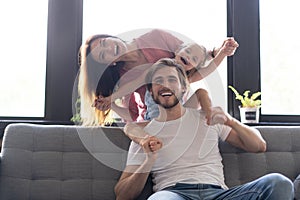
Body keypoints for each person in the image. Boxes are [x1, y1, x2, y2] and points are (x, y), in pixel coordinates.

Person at [114, 58, 294, 200]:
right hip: (174, 194)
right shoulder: (144, 136)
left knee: (279, 183)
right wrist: (148, 160)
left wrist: (231, 121)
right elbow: (122, 194)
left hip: (218, 193)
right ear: (151, 92)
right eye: (158, 81)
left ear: (183, 88)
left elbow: (259, 146)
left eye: (171, 79)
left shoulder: (206, 119)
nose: (165, 85)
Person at [88, 29, 238, 122]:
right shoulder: (151, 71)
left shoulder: (183, 76)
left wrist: (221, 52)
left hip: (179, 118)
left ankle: (208, 122)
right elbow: (133, 102)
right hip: (155, 120)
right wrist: (110, 101)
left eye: (104, 43)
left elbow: (202, 63)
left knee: (201, 94)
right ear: (109, 64)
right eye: (102, 54)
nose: (108, 48)